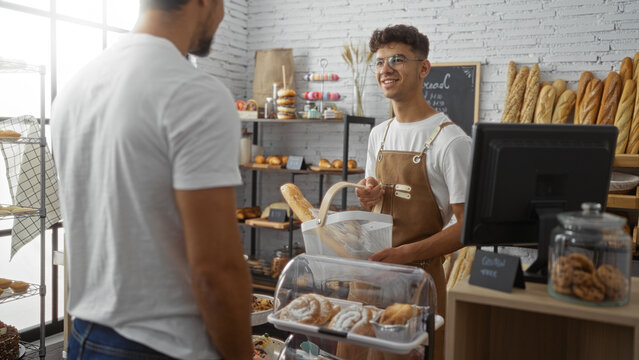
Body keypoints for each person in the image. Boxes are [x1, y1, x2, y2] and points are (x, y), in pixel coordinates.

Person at [51, 0, 252, 359]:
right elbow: (216, 271)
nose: (221, 15)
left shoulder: (75, 87)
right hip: (165, 346)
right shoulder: (196, 94)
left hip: (83, 336)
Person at [355, 24, 472, 360]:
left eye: (398, 59)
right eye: (378, 62)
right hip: (370, 275)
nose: (385, 69)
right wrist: (368, 196)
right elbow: (373, 203)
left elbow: (467, 227)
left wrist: (404, 255)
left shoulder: (452, 141)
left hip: (417, 284)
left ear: (424, 68)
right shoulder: (379, 134)